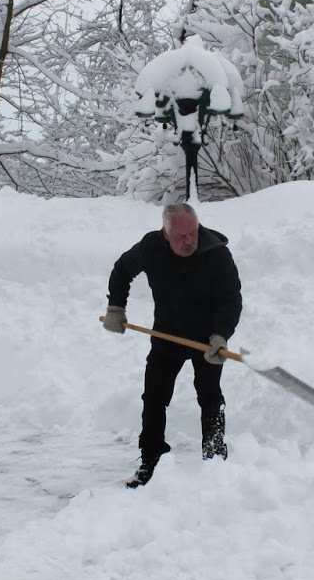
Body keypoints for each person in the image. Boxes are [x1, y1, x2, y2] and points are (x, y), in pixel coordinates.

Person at [103, 202, 242, 487]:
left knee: (210, 396)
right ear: (165, 234)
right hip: (167, 335)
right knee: (154, 398)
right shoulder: (151, 248)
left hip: (207, 339)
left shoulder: (216, 254)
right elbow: (121, 270)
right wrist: (116, 308)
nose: (190, 240)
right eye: (181, 236)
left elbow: (231, 299)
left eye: (193, 232)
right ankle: (150, 460)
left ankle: (214, 457)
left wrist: (221, 335)